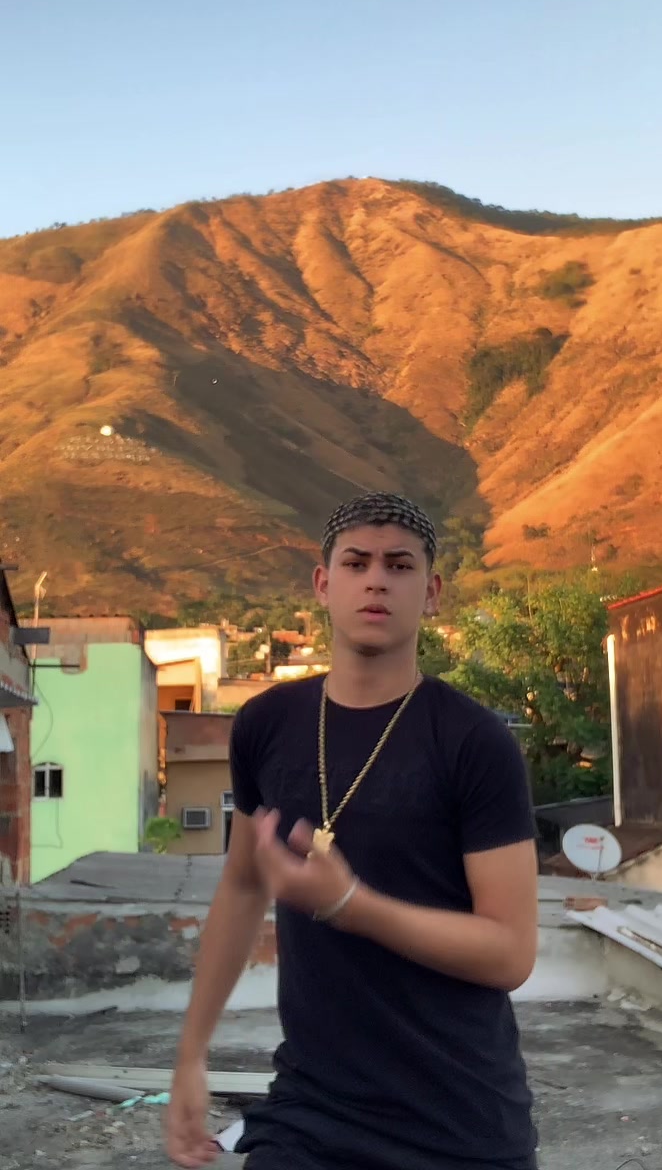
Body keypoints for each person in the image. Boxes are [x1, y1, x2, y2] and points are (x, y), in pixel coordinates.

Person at [167, 492, 539, 1170]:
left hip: (459, 1121)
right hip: (310, 1111)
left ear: (431, 593)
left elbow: (510, 952)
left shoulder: (474, 742)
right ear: (323, 583)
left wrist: (349, 905)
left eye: (399, 566)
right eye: (356, 562)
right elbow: (243, 886)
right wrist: (191, 1055)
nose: (376, 581)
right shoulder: (266, 724)